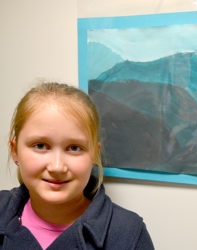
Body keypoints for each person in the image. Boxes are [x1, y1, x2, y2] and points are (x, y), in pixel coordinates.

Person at [0, 82, 154, 250]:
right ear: (15, 151)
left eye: (74, 148)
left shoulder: (128, 233)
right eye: (40, 146)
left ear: (94, 153)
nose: (57, 167)